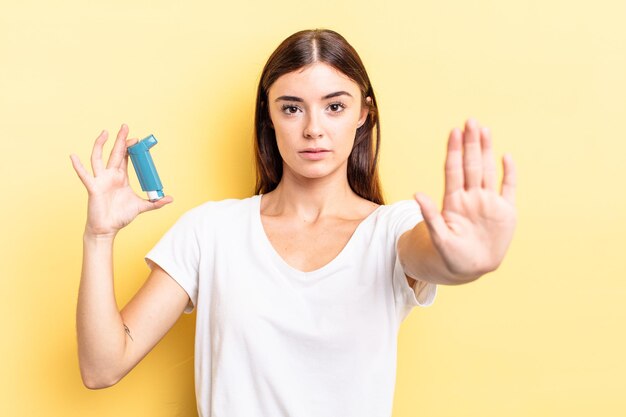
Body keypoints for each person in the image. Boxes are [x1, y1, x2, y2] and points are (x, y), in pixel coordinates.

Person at [70, 29, 516, 417]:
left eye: (335, 107)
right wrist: (99, 235)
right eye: (292, 108)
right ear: (269, 115)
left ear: (364, 113)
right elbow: (102, 367)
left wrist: (469, 261)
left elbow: (434, 256)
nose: (313, 129)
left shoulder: (391, 229)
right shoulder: (211, 231)